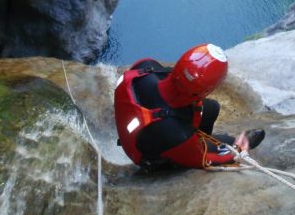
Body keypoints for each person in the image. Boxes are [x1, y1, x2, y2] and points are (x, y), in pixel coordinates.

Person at [114, 43, 265, 170]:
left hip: (143, 127)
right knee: (226, 142)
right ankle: (201, 144)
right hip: (150, 154)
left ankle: (196, 140)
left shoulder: (146, 67)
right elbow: (204, 160)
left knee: (212, 108)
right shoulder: (176, 134)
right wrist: (237, 152)